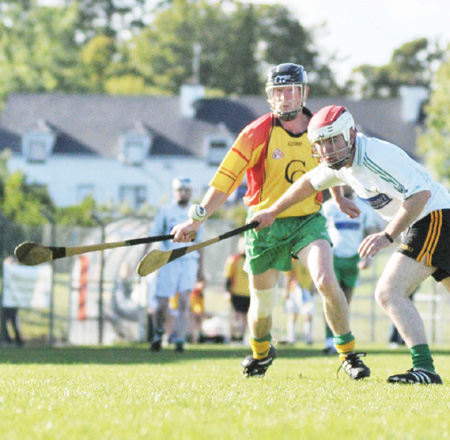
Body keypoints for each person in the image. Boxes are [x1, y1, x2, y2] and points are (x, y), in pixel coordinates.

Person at [171, 63, 370, 380]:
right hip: (263, 227)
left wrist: (338, 197)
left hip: (307, 221)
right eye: (278, 91)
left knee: (325, 280)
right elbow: (224, 181)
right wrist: (196, 220)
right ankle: (261, 353)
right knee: (262, 306)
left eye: (290, 90)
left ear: (303, 93)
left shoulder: (319, 127)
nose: (285, 98)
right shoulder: (256, 133)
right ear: (270, 96)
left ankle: (348, 354)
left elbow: (327, 164)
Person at [249, 104, 450, 384]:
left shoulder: (374, 157)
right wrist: (272, 211)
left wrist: (387, 236)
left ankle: (425, 368)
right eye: (321, 143)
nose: (328, 149)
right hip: (433, 218)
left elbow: (421, 195)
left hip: (433, 216)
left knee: (389, 292)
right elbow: (308, 183)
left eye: (334, 140)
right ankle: (425, 368)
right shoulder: (341, 164)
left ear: (351, 134)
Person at [321, 186, 381, 353]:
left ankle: (342, 340)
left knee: (345, 302)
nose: (344, 185)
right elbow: (319, 231)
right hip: (332, 258)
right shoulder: (328, 207)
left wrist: (368, 257)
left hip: (353, 259)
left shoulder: (364, 207)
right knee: (331, 300)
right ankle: (328, 340)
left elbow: (370, 232)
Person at [149, 177, 205, 352]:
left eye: (187, 190)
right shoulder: (165, 211)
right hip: (169, 260)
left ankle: (179, 338)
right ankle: (158, 334)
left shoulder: (196, 213)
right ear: (174, 191)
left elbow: (200, 244)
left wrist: (201, 270)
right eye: (180, 190)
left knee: (184, 301)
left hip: (188, 261)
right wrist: (146, 260)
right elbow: (153, 237)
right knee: (163, 303)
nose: (184, 193)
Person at [224, 238, 251, 343]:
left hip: (248, 293)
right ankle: (233, 336)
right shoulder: (233, 260)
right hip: (236, 292)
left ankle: (242, 337)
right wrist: (227, 291)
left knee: (245, 316)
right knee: (235, 315)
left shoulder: (252, 259)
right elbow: (228, 277)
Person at [283, 258, 314, 345]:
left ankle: (308, 338)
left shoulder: (310, 258)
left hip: (306, 290)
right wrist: (286, 290)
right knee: (293, 314)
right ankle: (291, 338)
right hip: (295, 289)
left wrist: (313, 285)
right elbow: (288, 276)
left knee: (308, 314)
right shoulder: (293, 260)